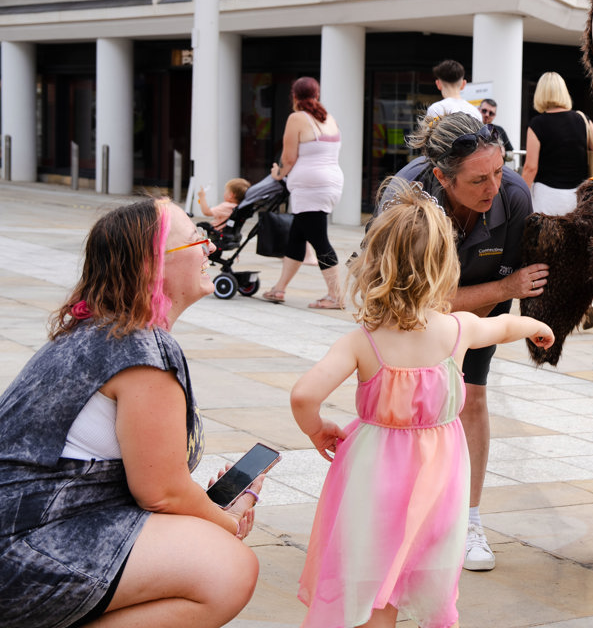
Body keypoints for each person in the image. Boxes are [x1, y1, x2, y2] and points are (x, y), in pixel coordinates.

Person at [293, 183, 554, 628]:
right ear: (444, 267)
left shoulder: (361, 342)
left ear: (375, 264)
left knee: (374, 574)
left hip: (373, 474)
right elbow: (504, 326)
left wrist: (316, 428)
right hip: (438, 479)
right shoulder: (458, 329)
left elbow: (303, 395)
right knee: (427, 565)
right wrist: (535, 325)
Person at [0, 198, 261, 627]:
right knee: (227, 569)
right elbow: (161, 493)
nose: (211, 247)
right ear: (152, 265)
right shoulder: (140, 347)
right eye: (196, 238)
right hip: (21, 550)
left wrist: (209, 507)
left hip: (29, 531)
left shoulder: (102, 331)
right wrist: (228, 523)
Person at [379, 111, 548, 572]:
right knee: (408, 407)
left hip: (481, 304)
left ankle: (468, 520)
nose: (493, 186)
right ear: (442, 177)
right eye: (478, 180)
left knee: (471, 397)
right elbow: (412, 300)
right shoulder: (404, 197)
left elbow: (513, 282)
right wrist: (503, 288)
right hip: (407, 310)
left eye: (497, 170)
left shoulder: (514, 195)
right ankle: (404, 518)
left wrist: (493, 300)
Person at [263, 77, 345, 309]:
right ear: (316, 95)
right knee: (297, 236)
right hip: (330, 183)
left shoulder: (297, 118)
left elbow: (289, 158)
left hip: (310, 187)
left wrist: (278, 173)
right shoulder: (329, 118)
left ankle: (336, 296)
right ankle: (279, 288)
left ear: (294, 96)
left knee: (319, 240)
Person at [521, 71, 593, 216]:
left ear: (540, 94)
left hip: (547, 196)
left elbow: (531, 167)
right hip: (577, 195)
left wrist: (521, 195)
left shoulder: (537, 124)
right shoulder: (582, 119)